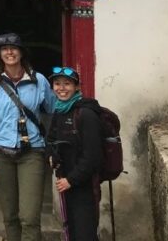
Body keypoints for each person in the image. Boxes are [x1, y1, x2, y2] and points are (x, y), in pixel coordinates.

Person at [0, 33, 54, 241]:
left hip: (32, 152)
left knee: (30, 216)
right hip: (1, 153)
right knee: (10, 215)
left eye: (14, 48)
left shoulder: (38, 81)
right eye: (5, 49)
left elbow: (53, 109)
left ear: (21, 52)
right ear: (0, 54)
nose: (10, 52)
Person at [46, 67, 103, 241]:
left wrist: (71, 180)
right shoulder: (60, 111)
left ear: (77, 87)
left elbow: (93, 156)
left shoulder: (86, 114)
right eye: (57, 84)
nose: (61, 88)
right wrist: (51, 156)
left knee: (84, 233)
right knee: (71, 231)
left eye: (67, 84)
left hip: (84, 185)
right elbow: (51, 140)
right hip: (66, 182)